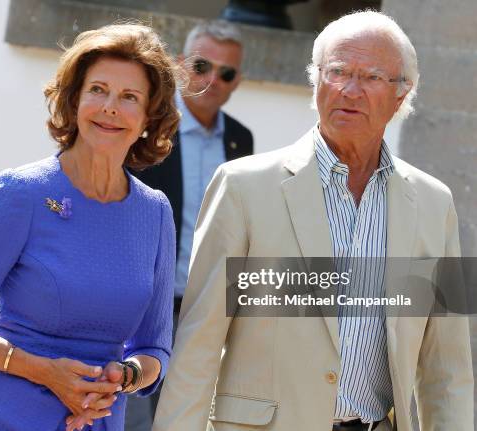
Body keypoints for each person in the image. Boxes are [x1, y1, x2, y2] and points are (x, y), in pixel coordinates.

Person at [153, 11, 473, 431]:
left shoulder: (434, 203)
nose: (349, 89)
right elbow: (199, 344)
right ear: (316, 80)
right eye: (337, 71)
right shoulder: (243, 187)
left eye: (372, 76)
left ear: (401, 94)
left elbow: (445, 367)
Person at [0, 23, 180, 431]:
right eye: (98, 90)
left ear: (149, 117)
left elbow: (155, 350)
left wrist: (122, 376)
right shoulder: (23, 192)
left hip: (98, 420)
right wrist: (45, 372)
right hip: (6, 417)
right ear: (75, 100)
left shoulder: (155, 212)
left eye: (129, 97)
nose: (110, 106)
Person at [128, 20, 253, 431]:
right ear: (180, 64)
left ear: (237, 81)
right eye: (202, 66)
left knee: (184, 416)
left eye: (227, 72)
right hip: (142, 302)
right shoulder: (145, 125)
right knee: (128, 414)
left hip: (206, 307)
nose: (213, 79)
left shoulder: (240, 139)